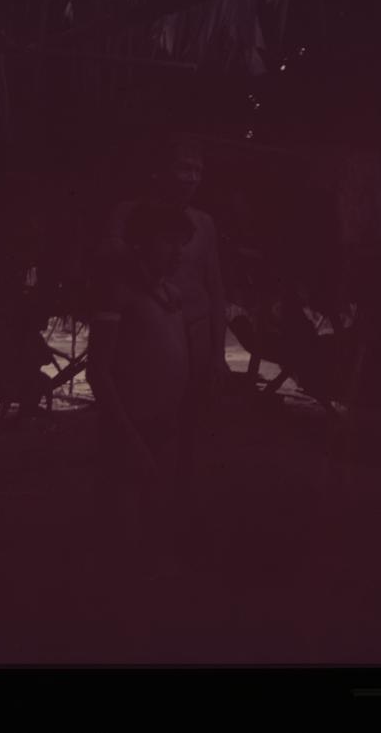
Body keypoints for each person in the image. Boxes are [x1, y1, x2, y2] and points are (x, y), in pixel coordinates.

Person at [96, 143, 228, 539]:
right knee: (139, 427)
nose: (191, 177)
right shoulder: (131, 215)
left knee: (186, 427)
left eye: (198, 169)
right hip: (147, 329)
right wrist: (148, 284)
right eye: (182, 167)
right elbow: (113, 259)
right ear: (161, 171)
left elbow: (216, 288)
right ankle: (131, 526)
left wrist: (218, 352)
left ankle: (178, 511)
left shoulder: (203, 223)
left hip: (193, 329)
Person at [87, 201, 195, 578]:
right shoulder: (118, 295)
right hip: (130, 427)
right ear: (142, 243)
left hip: (167, 425)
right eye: (169, 242)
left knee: (159, 513)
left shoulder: (170, 295)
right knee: (126, 528)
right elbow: (97, 371)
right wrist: (129, 436)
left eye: (182, 244)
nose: (177, 252)